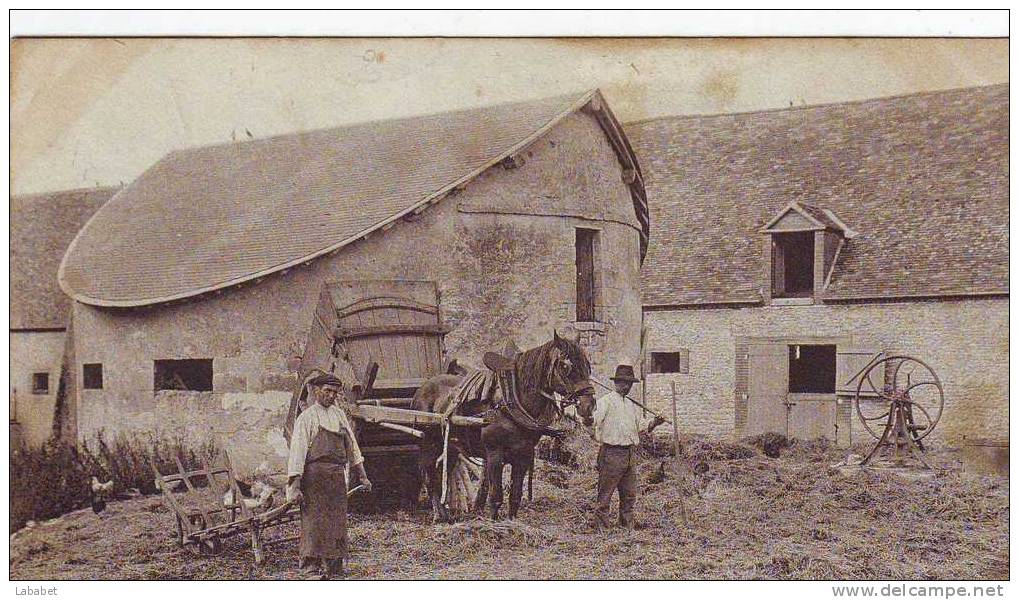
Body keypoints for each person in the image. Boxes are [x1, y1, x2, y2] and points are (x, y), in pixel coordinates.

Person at [286, 373, 372, 579]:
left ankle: (335, 567)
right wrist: (295, 485)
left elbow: (352, 447)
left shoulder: (339, 415)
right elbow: (297, 453)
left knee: (337, 521)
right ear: (316, 391)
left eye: (335, 392)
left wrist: (363, 476)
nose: (331, 396)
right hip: (314, 477)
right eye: (327, 391)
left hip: (336, 476)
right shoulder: (306, 418)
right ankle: (310, 568)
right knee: (314, 522)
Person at [590, 364, 664, 531]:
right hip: (611, 453)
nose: (626, 386)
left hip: (630, 454)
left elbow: (641, 425)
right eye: (623, 382)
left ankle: (626, 525)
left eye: (629, 383)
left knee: (629, 494)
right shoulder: (605, 402)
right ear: (616, 383)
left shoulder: (631, 405)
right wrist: (587, 417)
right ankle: (602, 527)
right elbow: (592, 420)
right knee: (605, 493)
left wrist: (655, 422)